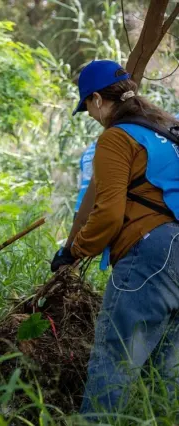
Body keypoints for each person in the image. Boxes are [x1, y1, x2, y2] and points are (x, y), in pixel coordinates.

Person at [51, 60, 179, 416]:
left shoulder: (116, 137)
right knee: (166, 375)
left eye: (87, 108)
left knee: (114, 363)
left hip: (152, 253)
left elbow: (108, 213)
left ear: (96, 99)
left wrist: (74, 251)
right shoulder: (169, 128)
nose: (91, 115)